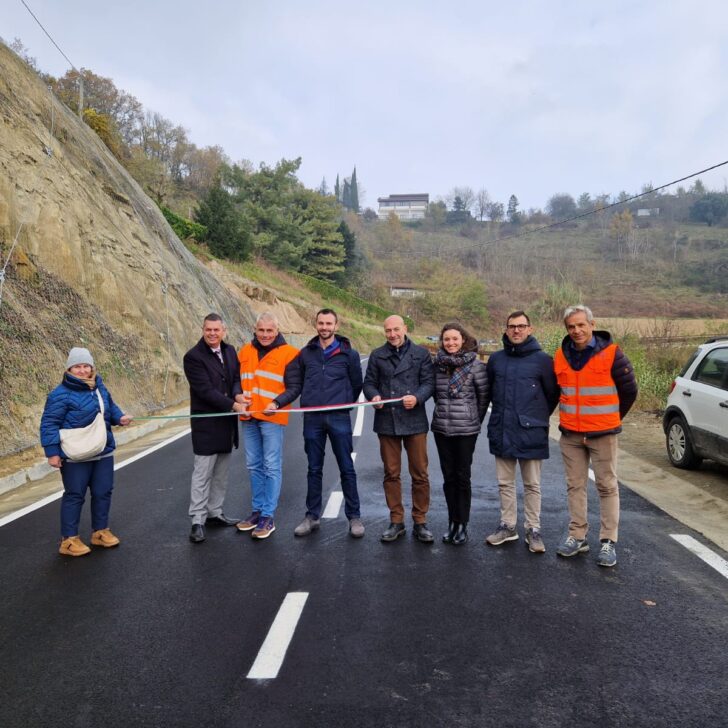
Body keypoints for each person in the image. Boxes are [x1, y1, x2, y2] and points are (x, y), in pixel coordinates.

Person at [554, 304, 637, 567]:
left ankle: (608, 541)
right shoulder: (560, 355)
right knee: (575, 485)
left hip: (603, 433)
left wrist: (611, 419)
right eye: (571, 326)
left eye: (581, 325)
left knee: (607, 485)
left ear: (592, 324)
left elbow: (629, 391)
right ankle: (577, 536)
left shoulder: (612, 353)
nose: (576, 330)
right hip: (571, 434)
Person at [40, 347, 132, 556]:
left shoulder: (99, 387)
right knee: (75, 495)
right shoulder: (59, 394)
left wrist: (120, 418)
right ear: (69, 369)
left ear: (92, 367)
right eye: (77, 366)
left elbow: (110, 407)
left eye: (85, 366)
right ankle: (69, 540)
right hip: (75, 455)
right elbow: (49, 423)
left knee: (103, 491)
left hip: (102, 449)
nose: (82, 370)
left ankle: (100, 532)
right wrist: (52, 452)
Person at [484, 311, 559, 553]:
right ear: (506, 329)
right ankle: (508, 526)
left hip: (532, 431)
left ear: (530, 329)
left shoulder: (544, 361)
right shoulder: (496, 360)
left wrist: (535, 418)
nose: (516, 330)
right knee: (504, 483)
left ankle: (533, 529)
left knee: (532, 484)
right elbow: (489, 393)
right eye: (512, 326)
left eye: (521, 326)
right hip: (502, 429)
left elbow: (551, 396)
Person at [292, 309, 365, 538]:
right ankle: (312, 516)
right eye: (321, 323)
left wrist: (343, 404)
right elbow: (299, 381)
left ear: (336, 325)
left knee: (346, 467)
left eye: (329, 323)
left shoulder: (349, 354)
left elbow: (356, 384)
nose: (325, 327)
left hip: (339, 417)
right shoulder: (305, 354)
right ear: (316, 324)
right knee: (314, 468)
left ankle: (354, 517)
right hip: (312, 419)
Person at [363, 315, 435, 543]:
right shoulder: (377, 355)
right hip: (387, 420)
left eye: (396, 329)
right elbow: (368, 382)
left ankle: (420, 520)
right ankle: (396, 520)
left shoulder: (421, 354)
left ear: (405, 328)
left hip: (414, 420)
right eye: (388, 331)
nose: (392, 334)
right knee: (391, 473)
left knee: (420, 474)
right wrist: (373, 396)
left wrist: (417, 397)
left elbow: (429, 383)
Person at [235, 312, 301, 540]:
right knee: (254, 465)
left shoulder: (289, 354)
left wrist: (277, 402)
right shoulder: (245, 351)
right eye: (261, 330)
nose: (265, 335)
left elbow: (294, 386)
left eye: (269, 331)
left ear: (277, 330)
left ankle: (267, 516)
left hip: (272, 417)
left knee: (271, 465)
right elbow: (236, 379)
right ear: (255, 329)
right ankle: (256, 511)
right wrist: (236, 397)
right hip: (249, 416)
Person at [183, 313, 247, 544]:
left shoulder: (230, 351)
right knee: (202, 475)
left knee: (221, 474)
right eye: (208, 329)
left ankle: (214, 513)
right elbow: (205, 390)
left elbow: (235, 378)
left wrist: (238, 393)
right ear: (202, 329)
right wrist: (234, 405)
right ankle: (197, 521)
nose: (212, 333)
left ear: (224, 330)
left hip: (226, 424)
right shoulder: (193, 357)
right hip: (206, 425)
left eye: (216, 330)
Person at [431, 322, 490, 545]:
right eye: (447, 339)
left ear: (463, 340)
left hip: (466, 430)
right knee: (448, 478)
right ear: (442, 342)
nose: (451, 343)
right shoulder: (438, 365)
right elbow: (437, 395)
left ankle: (463, 523)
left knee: (462, 477)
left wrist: (474, 419)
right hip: (442, 428)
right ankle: (451, 522)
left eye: (455, 339)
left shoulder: (476, 366)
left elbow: (483, 398)